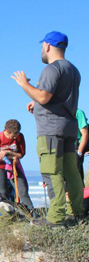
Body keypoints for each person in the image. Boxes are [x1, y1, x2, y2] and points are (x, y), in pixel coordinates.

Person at [12, 31, 83, 226]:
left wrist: (24, 84)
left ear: (47, 46)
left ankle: (56, 217)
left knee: (52, 173)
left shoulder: (52, 69)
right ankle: (77, 213)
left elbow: (44, 96)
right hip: (68, 128)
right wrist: (36, 103)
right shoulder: (73, 70)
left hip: (51, 130)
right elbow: (55, 98)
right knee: (71, 172)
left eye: (42, 45)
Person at [0, 119, 33, 211]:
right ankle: (8, 214)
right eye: (13, 135)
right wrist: (4, 156)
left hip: (14, 167)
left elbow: (21, 154)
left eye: (17, 134)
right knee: (4, 192)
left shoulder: (20, 137)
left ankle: (31, 214)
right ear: (7, 132)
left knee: (22, 191)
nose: (15, 137)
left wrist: (8, 153)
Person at [75, 109, 89, 181]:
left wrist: (79, 152)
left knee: (77, 176)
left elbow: (85, 133)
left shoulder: (78, 112)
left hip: (77, 146)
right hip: (66, 146)